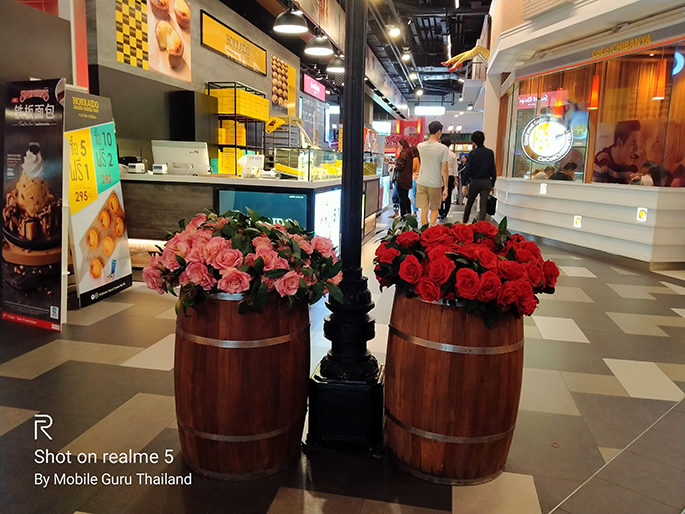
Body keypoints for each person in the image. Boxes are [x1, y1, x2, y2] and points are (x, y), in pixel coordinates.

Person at [417, 121, 449, 227]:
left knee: (424, 209)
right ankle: (431, 228)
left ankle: (424, 231)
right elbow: (445, 170)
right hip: (435, 183)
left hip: (421, 181)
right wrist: (446, 188)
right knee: (435, 208)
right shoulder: (443, 148)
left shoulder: (420, 146)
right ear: (439, 132)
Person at [462, 130, 497, 223]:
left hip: (475, 181)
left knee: (469, 202)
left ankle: (464, 222)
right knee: (483, 205)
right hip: (486, 181)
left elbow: (468, 169)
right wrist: (493, 183)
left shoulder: (473, 153)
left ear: (474, 141)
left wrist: (464, 183)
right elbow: (493, 169)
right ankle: (481, 224)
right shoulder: (490, 153)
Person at [438, 137, 458, 219]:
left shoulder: (439, 154)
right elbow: (455, 168)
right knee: (448, 195)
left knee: (439, 194)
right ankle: (445, 212)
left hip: (440, 176)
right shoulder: (453, 155)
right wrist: (455, 179)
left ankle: (440, 211)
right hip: (450, 177)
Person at [393, 139, 413, 217]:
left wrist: (395, 167)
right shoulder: (409, 154)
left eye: (399, 145)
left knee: (401, 198)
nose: (398, 147)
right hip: (407, 179)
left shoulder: (403, 154)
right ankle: (408, 213)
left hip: (401, 179)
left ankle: (403, 215)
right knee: (405, 197)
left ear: (402, 145)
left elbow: (400, 166)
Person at [410, 146, 420, 214]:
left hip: (414, 178)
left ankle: (414, 210)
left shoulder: (414, 160)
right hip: (420, 179)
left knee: (413, 195)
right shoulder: (419, 159)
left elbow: (413, 169)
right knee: (416, 194)